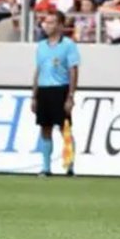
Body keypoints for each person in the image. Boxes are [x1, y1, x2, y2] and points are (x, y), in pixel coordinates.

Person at [31, 11, 79, 177]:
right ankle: (46, 167)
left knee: (64, 128)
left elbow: (73, 70)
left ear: (60, 25)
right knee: (45, 128)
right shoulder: (41, 45)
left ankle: (69, 165)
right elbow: (38, 70)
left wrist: (71, 95)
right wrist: (34, 95)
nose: (46, 25)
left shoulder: (68, 45)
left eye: (51, 22)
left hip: (60, 89)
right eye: (46, 22)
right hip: (44, 90)